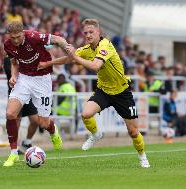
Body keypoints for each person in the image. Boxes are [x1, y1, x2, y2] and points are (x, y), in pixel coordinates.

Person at [38, 19, 150, 168]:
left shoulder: (106, 46)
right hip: (104, 90)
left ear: (99, 32)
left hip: (122, 92)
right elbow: (68, 59)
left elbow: (96, 66)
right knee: (85, 113)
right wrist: (48, 63)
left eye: (91, 32)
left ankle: (142, 156)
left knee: (133, 131)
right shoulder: (86, 49)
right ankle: (96, 134)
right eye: (86, 33)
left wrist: (75, 56)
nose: (88, 35)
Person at [3, 21, 68, 167]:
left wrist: (66, 46)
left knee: (43, 123)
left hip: (42, 80)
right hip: (24, 79)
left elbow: (57, 39)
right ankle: (13, 154)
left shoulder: (34, 36)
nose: (15, 40)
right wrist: (14, 76)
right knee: (10, 114)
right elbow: (14, 63)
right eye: (12, 37)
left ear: (23, 33)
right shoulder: (8, 44)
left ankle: (53, 130)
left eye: (18, 37)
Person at [3, 55, 39, 154]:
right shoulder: (8, 59)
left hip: (28, 93)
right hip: (16, 94)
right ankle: (15, 148)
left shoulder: (27, 56)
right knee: (16, 120)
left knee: (36, 120)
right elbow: (12, 73)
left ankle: (27, 142)